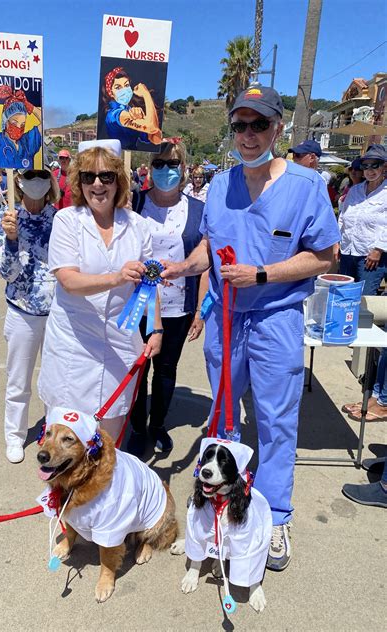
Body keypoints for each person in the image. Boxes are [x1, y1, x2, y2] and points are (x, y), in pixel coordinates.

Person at [161, 86, 340, 571]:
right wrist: (184, 267)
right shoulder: (220, 184)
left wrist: (262, 274)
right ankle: (219, 503)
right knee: (221, 417)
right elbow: (212, 250)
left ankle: (276, 514)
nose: (248, 135)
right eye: (239, 126)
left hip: (275, 318)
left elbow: (325, 256)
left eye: (258, 125)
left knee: (277, 421)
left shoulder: (306, 186)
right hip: (225, 317)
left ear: (278, 128)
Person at [38, 139, 162, 443]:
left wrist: (156, 328)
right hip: (73, 344)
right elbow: (68, 280)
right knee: (67, 445)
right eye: (88, 176)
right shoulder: (67, 220)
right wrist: (116, 277)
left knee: (108, 443)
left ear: (118, 180)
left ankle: (104, 490)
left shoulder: (138, 226)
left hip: (120, 343)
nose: (98, 184)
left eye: (106, 176)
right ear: (79, 182)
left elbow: (149, 282)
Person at [127, 141, 207, 456]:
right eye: (159, 164)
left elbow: (204, 263)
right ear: (150, 167)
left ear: (183, 169)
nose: (166, 170)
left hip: (177, 307)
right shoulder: (133, 203)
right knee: (137, 367)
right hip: (137, 304)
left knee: (166, 369)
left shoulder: (198, 210)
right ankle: (135, 427)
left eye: (172, 164)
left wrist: (200, 311)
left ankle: (157, 424)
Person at [0, 167, 59, 463]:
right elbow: (7, 273)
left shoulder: (61, 218)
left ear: (50, 182)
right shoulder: (5, 219)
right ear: (18, 181)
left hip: (59, 314)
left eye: (42, 176)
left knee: (56, 382)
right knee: (18, 380)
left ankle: (53, 437)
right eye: (29, 176)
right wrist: (11, 239)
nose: (36, 182)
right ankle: (14, 436)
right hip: (22, 312)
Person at [337, 144, 386, 295]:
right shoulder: (355, 190)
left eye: (374, 165)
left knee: (365, 299)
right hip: (347, 251)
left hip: (371, 255)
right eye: (365, 166)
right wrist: (337, 242)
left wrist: (378, 249)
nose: (370, 170)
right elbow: (343, 217)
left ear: (384, 167)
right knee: (343, 295)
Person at [0, 86, 42, 170]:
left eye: (22, 124)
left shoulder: (28, 143)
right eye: (14, 122)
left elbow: (45, 121)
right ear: (5, 120)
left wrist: (30, 107)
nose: (18, 127)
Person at [102, 67, 162, 150]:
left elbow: (156, 139)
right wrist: (146, 94)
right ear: (111, 93)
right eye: (118, 87)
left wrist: (145, 120)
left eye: (126, 85)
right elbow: (152, 127)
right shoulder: (114, 114)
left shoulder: (131, 110)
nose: (124, 90)